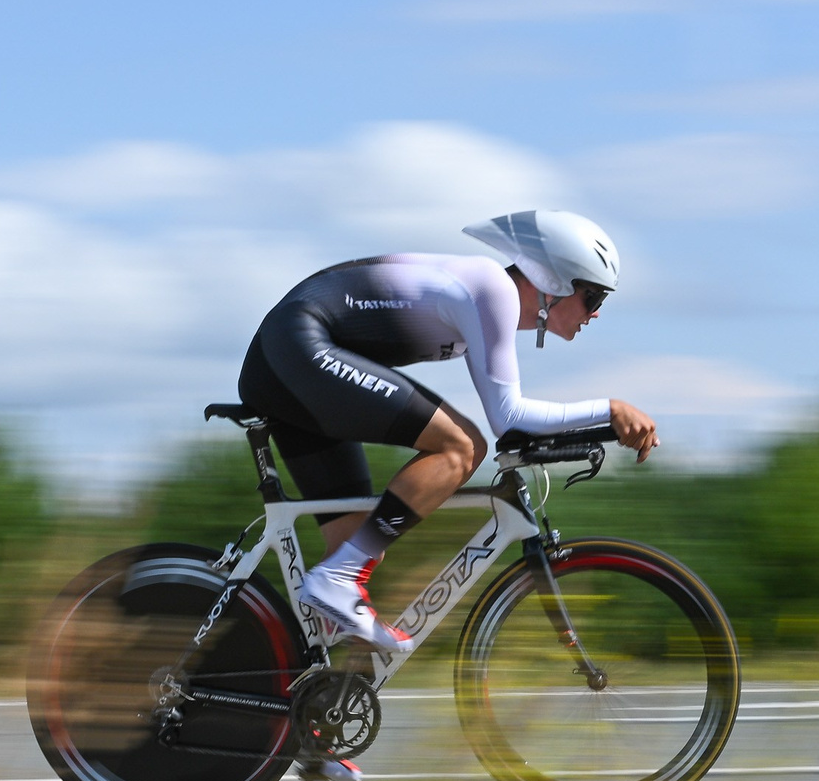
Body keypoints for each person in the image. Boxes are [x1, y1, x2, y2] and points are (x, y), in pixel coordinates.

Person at [235, 208, 659, 667]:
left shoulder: (486, 301)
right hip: (297, 348)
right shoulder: (492, 290)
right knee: (461, 447)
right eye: (592, 296)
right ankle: (336, 582)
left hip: (291, 361)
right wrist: (610, 411)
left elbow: (511, 419)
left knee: (352, 552)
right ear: (552, 280)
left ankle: (321, 700)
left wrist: (595, 428)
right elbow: (508, 418)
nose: (596, 312)